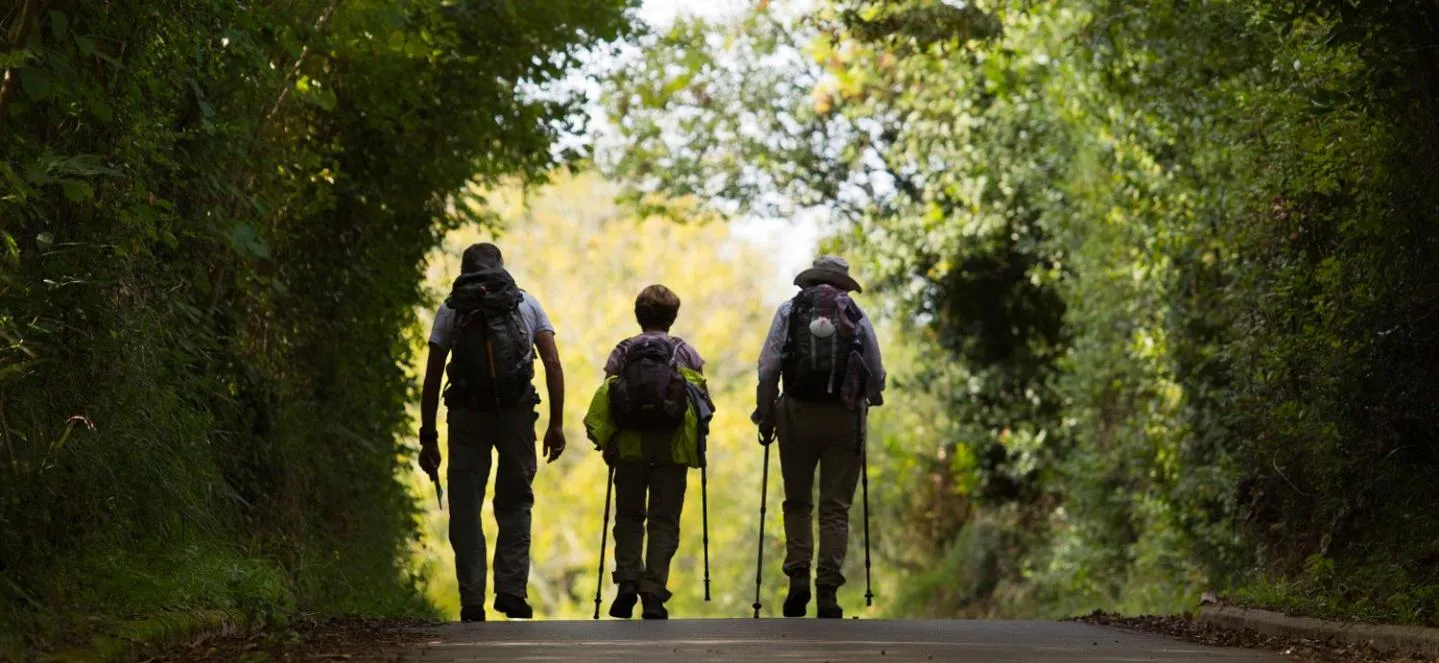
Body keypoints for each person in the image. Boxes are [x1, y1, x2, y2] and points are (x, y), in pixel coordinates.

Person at [418, 242, 567, 622]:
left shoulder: (452, 308)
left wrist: (428, 435)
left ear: (464, 269)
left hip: (467, 416)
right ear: (501, 266)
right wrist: (556, 423)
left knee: (465, 507)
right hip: (517, 414)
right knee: (516, 501)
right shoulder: (525, 303)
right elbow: (551, 362)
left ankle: (472, 601)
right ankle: (512, 591)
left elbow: (433, 374)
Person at [752, 255, 885, 619]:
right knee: (835, 507)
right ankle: (827, 590)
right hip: (845, 417)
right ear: (843, 283)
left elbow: (768, 368)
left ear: (810, 280)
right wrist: (869, 397)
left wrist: (765, 413)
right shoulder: (855, 314)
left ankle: (797, 576)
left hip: (796, 414)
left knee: (797, 501)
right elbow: (876, 371)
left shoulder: (789, 311)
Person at [584, 285, 712, 620]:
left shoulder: (624, 350)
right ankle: (653, 593)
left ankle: (627, 581)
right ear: (672, 317)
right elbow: (700, 403)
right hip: (670, 447)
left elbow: (608, 395)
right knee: (663, 520)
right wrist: (698, 446)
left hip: (629, 445)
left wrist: (607, 441)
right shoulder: (685, 352)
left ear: (638, 316)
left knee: (628, 516)